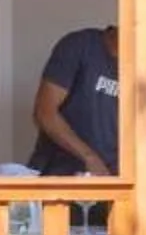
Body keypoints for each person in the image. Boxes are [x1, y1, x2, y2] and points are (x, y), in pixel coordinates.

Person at [26, 23, 120, 178]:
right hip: (60, 177)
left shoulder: (144, 70)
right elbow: (44, 113)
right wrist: (89, 157)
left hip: (112, 184)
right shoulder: (80, 46)